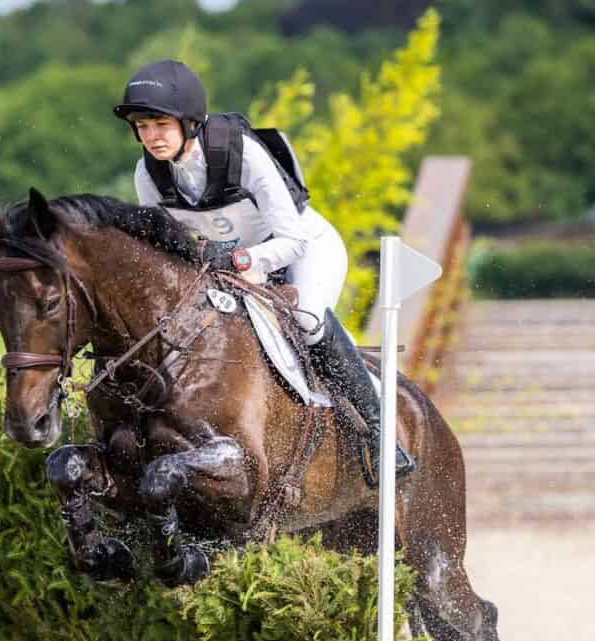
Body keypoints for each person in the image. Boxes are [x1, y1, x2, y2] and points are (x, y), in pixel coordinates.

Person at [113, 59, 413, 477]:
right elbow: (164, 249)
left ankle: (379, 434)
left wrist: (241, 260)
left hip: (301, 248)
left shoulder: (242, 153)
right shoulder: (149, 174)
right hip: (232, 267)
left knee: (307, 317)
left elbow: (293, 238)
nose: (150, 137)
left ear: (190, 122)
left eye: (159, 124)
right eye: (142, 127)